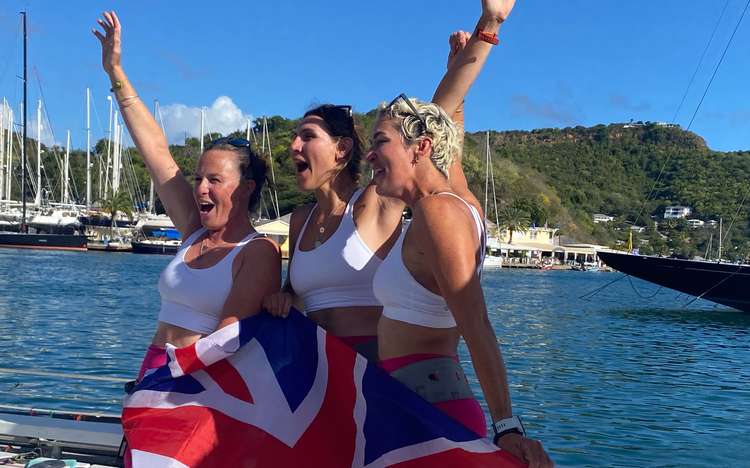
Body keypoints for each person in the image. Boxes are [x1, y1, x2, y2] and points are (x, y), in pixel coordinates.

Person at [367, 2, 553, 466]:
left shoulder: (439, 215)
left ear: (420, 148)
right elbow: (450, 131)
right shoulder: (458, 201)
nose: (370, 156)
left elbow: (476, 323)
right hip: (413, 403)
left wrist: (506, 425)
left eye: (380, 142)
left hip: (426, 409)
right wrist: (467, 59)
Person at [262, 7, 499, 362]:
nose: (294, 146)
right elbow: (298, 294)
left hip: (372, 374)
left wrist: (486, 30)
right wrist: (282, 298)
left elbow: (436, 118)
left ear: (341, 149)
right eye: (295, 137)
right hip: (315, 375)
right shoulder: (300, 220)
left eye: (306, 136)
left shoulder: (376, 201)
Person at [93, 12, 281, 380]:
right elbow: (157, 154)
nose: (200, 188)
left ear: (246, 188)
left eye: (214, 179)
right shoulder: (195, 231)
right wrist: (115, 71)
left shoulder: (257, 252)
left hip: (200, 382)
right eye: (198, 178)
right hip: (154, 367)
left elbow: (228, 339)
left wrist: (169, 384)